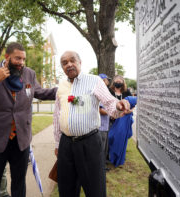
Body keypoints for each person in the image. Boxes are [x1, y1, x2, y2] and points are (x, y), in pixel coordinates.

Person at [0, 42, 57, 197]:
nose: (21, 63)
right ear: (7, 57)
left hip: (20, 141)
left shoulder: (28, 73)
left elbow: (40, 92)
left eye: (24, 59)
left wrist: (64, 89)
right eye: (18, 58)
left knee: (19, 185)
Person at [53, 51, 130, 197]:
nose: (69, 64)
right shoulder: (61, 86)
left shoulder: (94, 81)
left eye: (72, 60)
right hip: (66, 145)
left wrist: (119, 106)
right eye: (64, 63)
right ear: (62, 67)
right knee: (66, 189)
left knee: (95, 189)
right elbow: (57, 116)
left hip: (89, 144)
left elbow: (109, 102)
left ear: (80, 62)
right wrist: (57, 144)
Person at [98, 74, 110, 163]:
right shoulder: (99, 93)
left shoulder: (104, 92)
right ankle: (100, 167)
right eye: (106, 80)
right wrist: (110, 112)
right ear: (102, 81)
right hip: (100, 126)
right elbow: (99, 109)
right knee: (101, 148)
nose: (108, 81)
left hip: (105, 126)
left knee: (105, 147)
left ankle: (103, 164)